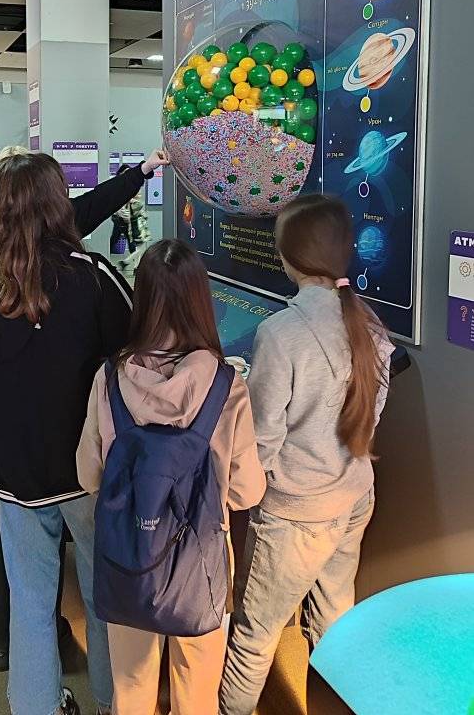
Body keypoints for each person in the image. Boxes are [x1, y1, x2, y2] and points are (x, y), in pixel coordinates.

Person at [0, 153, 133, 715]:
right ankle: (112, 700)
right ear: (60, 203)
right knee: (104, 595)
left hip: (15, 471)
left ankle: (36, 704)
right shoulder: (95, 276)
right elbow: (130, 368)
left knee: (30, 602)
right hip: (90, 469)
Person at [220, 195, 395, 715]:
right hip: (353, 497)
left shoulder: (281, 334)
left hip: (296, 514)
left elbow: (263, 440)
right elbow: (372, 412)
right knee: (334, 620)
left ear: (289, 257)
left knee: (254, 636)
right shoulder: (369, 323)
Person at [77, 240, 265, 715]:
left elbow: (88, 475)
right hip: (202, 564)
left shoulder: (110, 379)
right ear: (200, 300)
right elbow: (247, 491)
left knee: (132, 686)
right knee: (197, 689)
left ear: (140, 298)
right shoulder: (227, 385)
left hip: (128, 555)